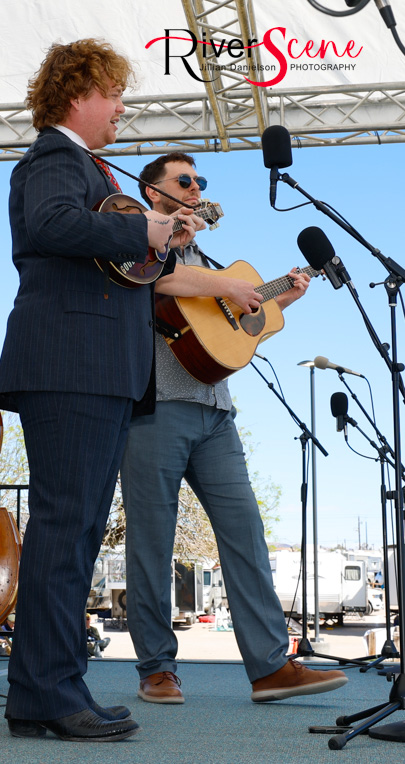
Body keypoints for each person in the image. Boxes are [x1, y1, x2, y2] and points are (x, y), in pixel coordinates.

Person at [0, 39, 203, 743]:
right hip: (70, 367)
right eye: (113, 94)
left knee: (75, 532)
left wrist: (159, 241)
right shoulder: (55, 158)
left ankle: (44, 693)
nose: (120, 109)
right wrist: (142, 224)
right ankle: (49, 694)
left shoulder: (86, 166)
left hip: (95, 370)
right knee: (65, 529)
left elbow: (110, 264)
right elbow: (50, 226)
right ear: (78, 94)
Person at [121, 151, 348, 705]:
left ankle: (269, 667)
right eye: (183, 180)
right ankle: (155, 668)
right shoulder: (136, 241)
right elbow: (154, 285)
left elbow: (230, 337)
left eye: (200, 180)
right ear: (153, 192)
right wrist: (206, 269)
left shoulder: (204, 255)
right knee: (153, 539)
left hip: (216, 408)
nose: (196, 187)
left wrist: (277, 300)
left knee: (245, 531)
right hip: (156, 406)